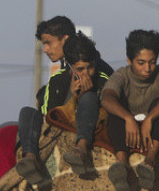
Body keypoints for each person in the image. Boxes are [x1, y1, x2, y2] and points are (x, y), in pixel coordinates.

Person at [17, 32, 110, 182]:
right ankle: (30, 158)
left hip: (89, 125)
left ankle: (81, 148)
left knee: (89, 98)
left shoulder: (103, 80)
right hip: (61, 124)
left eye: (90, 67)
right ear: (69, 65)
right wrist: (71, 96)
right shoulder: (57, 80)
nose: (86, 73)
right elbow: (49, 115)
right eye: (80, 69)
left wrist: (84, 96)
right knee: (27, 112)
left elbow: (105, 110)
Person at [101, 29, 159, 191]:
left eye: (152, 62)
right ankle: (122, 165)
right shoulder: (121, 75)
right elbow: (107, 98)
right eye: (141, 63)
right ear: (129, 60)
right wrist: (128, 118)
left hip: (152, 129)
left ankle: (150, 161)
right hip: (127, 130)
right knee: (116, 109)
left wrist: (150, 119)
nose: (148, 68)